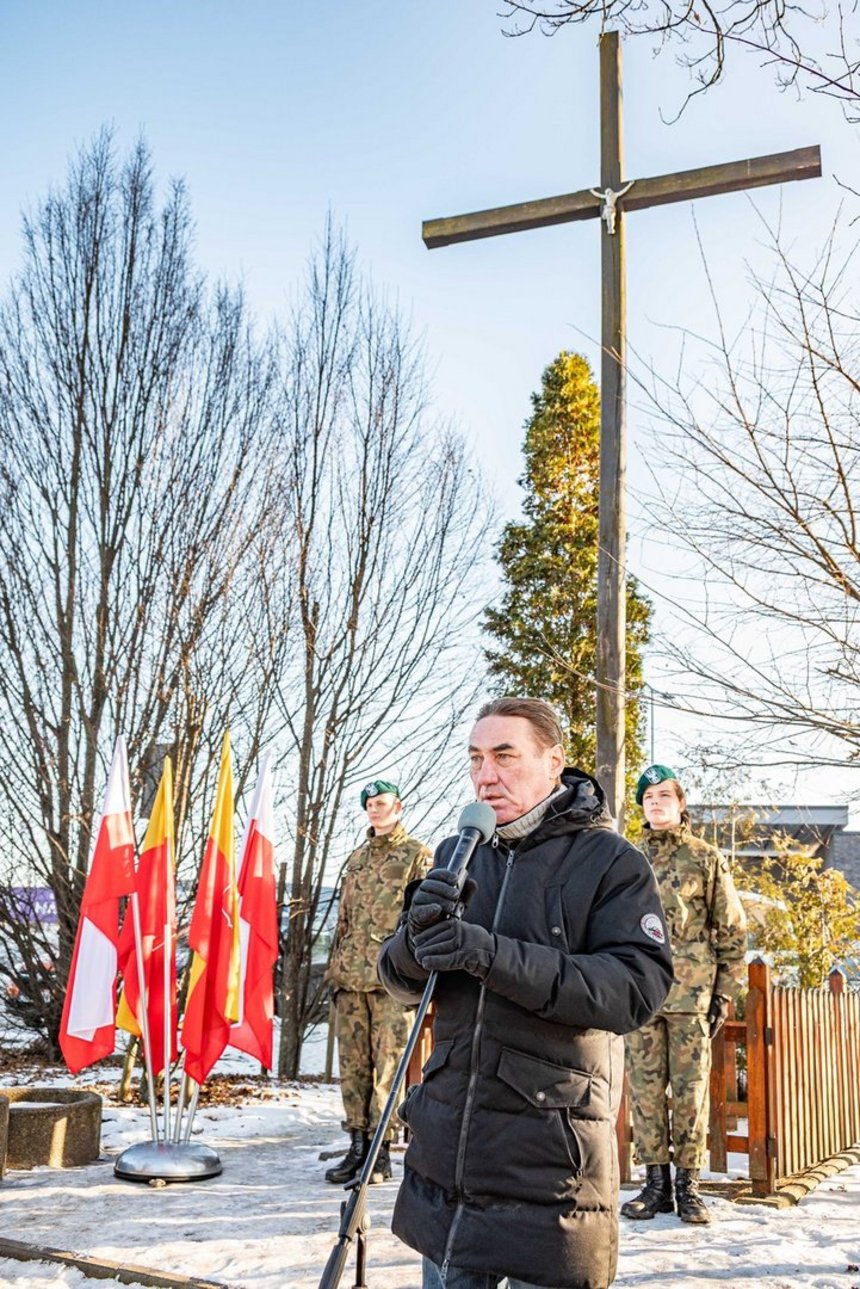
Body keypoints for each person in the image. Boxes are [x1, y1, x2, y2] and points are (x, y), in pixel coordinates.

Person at [377, 697, 674, 1289]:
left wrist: (489, 955)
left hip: (548, 1169)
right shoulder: (456, 853)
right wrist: (414, 941)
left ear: (554, 762)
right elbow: (398, 978)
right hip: (449, 1166)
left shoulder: (612, 861)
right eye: (475, 759)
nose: (485, 775)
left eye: (505, 756)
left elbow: (633, 990)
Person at [621, 764, 748, 1226]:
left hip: (692, 994)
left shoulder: (705, 858)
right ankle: (654, 1185)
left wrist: (724, 994)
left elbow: (731, 929)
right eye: (648, 797)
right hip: (641, 993)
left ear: (680, 803)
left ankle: (688, 1186)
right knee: (645, 1092)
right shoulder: (627, 859)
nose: (655, 803)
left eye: (663, 796)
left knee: (691, 1093)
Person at [324, 778, 430, 1185]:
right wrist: (335, 970)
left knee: (387, 1068)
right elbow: (344, 920)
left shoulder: (416, 855)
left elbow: (422, 920)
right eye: (369, 803)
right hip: (351, 977)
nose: (374, 808)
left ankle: (379, 1152)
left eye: (381, 802)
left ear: (397, 807)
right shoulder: (357, 858)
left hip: (391, 980)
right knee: (353, 1068)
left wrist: (415, 972)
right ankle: (356, 1146)